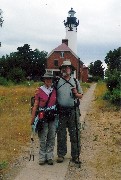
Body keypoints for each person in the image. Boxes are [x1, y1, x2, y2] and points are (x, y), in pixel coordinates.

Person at [56, 60, 83, 164]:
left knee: (75, 134)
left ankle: (75, 156)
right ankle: (61, 155)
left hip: (73, 111)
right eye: (63, 67)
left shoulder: (76, 81)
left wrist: (76, 93)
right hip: (61, 112)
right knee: (61, 134)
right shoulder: (57, 81)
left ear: (71, 69)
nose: (65, 69)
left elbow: (81, 95)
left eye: (67, 67)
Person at [31, 72, 57, 165]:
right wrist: (32, 118)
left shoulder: (54, 90)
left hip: (52, 116)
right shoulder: (39, 90)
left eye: (50, 79)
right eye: (46, 79)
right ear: (44, 80)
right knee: (43, 136)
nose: (48, 81)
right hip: (42, 115)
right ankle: (42, 157)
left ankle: (49, 156)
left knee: (52, 136)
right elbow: (35, 105)